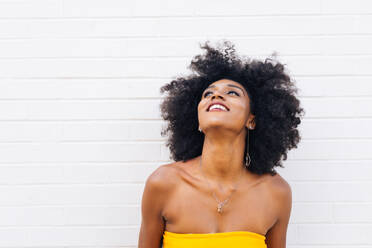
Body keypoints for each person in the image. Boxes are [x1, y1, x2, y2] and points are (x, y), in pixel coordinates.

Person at [138, 40, 305, 248]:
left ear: (251, 120)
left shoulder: (275, 192)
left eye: (232, 93)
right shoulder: (163, 183)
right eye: (208, 94)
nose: (216, 95)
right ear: (197, 121)